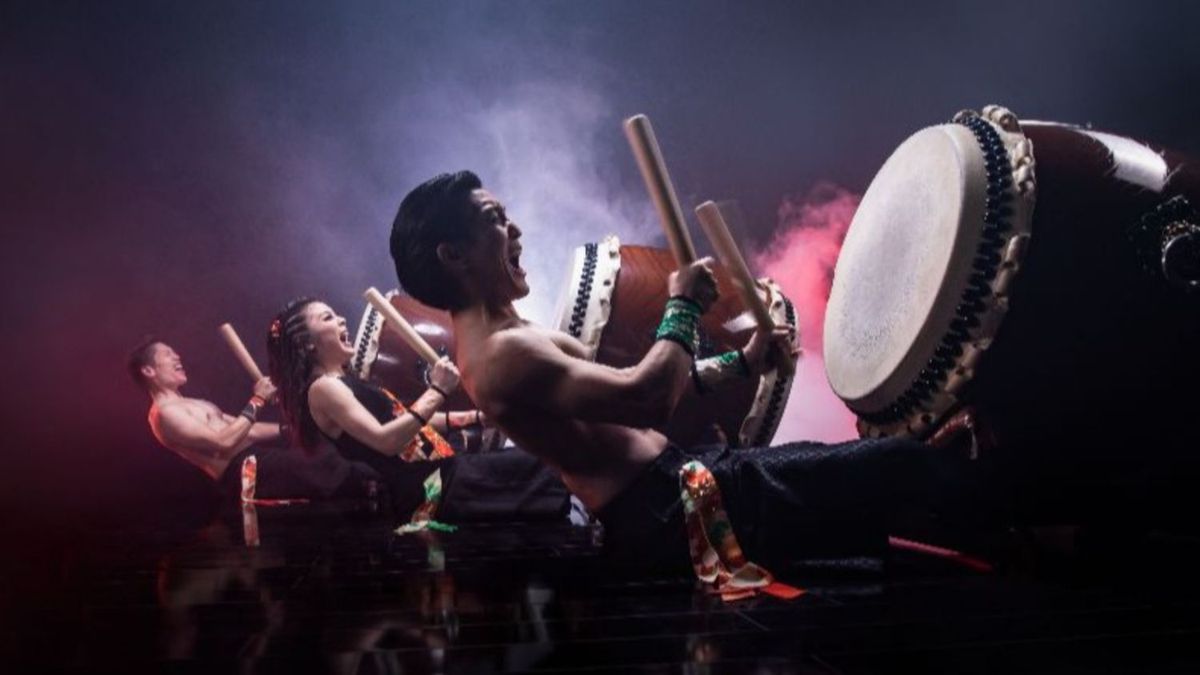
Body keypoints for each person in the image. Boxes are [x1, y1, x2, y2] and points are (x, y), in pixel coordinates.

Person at [388, 171, 985, 573]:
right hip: (672, 510)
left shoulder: (508, 338)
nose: (514, 229)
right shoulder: (501, 356)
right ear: (453, 255)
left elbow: (634, 391)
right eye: (494, 218)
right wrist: (682, 304)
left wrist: (739, 363)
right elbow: (646, 398)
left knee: (859, 496)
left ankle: (965, 503)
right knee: (893, 466)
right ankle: (1016, 523)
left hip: (679, 487)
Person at [265, 297, 572, 522]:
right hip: (432, 490)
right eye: (327, 318)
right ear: (307, 343)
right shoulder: (322, 389)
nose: (342, 320)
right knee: (545, 464)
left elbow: (406, 420)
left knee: (545, 461)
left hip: (447, 474)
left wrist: (474, 417)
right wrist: (437, 389)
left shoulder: (346, 382)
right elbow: (387, 440)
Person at [129, 338, 365, 502]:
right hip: (243, 472)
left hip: (257, 458)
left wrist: (289, 429)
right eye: (167, 354)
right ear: (149, 371)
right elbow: (223, 442)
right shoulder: (164, 413)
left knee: (328, 445)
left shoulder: (194, 403)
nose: (177, 356)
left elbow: (248, 430)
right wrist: (258, 399)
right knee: (327, 463)